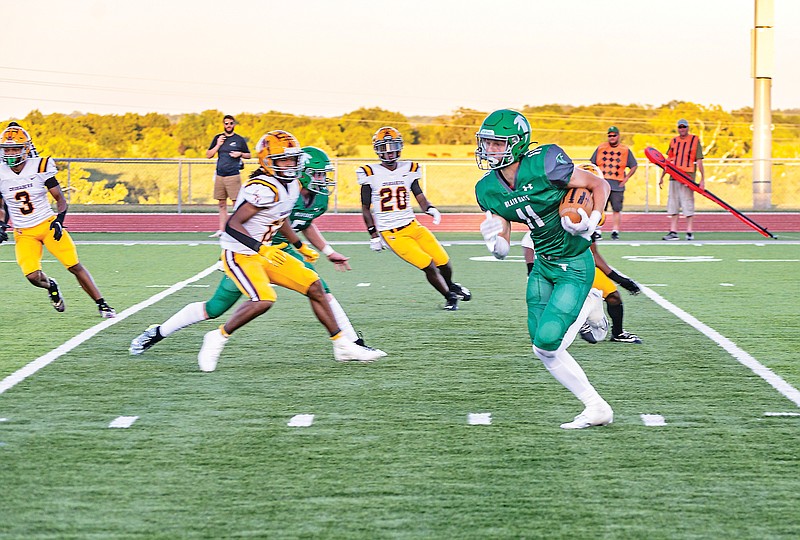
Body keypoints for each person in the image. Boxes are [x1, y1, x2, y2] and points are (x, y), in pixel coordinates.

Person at [130, 146, 385, 359]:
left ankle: (348, 343)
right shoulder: (272, 187)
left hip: (280, 250)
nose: (322, 180)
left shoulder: (307, 194)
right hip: (252, 251)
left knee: (318, 288)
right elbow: (243, 224)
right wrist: (267, 247)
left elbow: (300, 223)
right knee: (216, 306)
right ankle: (159, 332)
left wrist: (318, 250)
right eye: (317, 175)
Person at [195, 130, 384, 372]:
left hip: (265, 252)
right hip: (240, 253)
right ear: (268, 160)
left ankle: (341, 344)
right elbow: (232, 225)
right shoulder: (263, 187)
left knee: (314, 285)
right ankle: (217, 337)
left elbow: (281, 217)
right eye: (283, 159)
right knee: (264, 299)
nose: (290, 164)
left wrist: (299, 245)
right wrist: (261, 249)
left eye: (293, 159)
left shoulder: (291, 185)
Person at [475, 109, 613, 430]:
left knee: (551, 341)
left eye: (497, 144)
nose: (488, 150)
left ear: (517, 143)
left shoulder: (545, 162)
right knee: (542, 347)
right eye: (486, 143)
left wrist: (593, 219)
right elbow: (503, 229)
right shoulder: (487, 188)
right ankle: (596, 406)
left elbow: (597, 184)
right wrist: (498, 246)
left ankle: (591, 301)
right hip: (543, 263)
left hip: (574, 263)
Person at [0, 125, 115, 317]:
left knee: (74, 265)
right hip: (23, 232)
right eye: (7, 149)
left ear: (25, 148)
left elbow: (60, 198)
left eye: (15, 148)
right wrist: (2, 225)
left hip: (47, 224)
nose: (10, 153)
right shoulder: (1, 172)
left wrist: (60, 220)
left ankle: (102, 304)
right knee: (32, 276)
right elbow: (1, 206)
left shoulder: (40, 166)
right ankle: (51, 286)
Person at [358, 126, 470, 311]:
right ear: (377, 149)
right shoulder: (369, 173)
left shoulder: (408, 168)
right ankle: (450, 297)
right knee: (428, 265)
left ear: (400, 147)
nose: (389, 152)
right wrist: (374, 235)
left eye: (392, 146)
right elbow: (365, 207)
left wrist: (429, 208)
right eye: (384, 148)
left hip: (413, 225)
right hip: (392, 232)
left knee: (444, 262)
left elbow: (418, 194)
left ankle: (451, 285)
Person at [659, 119, 705, 241]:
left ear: (688, 127)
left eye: (684, 126)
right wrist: (662, 176)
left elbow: (699, 160)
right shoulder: (674, 141)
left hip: (688, 176)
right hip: (674, 176)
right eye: (680, 127)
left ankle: (689, 231)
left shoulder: (694, 140)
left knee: (687, 203)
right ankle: (673, 231)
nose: (682, 129)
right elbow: (668, 160)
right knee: (673, 204)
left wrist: (702, 179)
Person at [207, 115, 251, 238]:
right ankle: (222, 230)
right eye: (226, 123)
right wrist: (218, 145)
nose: (228, 125)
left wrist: (240, 154)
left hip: (233, 175)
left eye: (231, 123)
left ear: (234, 124)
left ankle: (237, 230)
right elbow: (208, 155)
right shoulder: (218, 138)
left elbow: (249, 155)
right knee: (221, 204)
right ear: (223, 124)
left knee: (236, 204)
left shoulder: (239, 140)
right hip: (220, 175)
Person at [590, 126, 638, 240]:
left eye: (614, 135)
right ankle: (597, 230)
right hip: (601, 184)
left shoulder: (625, 150)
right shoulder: (601, 148)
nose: (611, 138)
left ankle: (615, 231)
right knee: (599, 208)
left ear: (618, 136)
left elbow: (634, 165)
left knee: (616, 209)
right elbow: (592, 164)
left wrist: (626, 179)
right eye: (609, 135)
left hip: (617, 184)